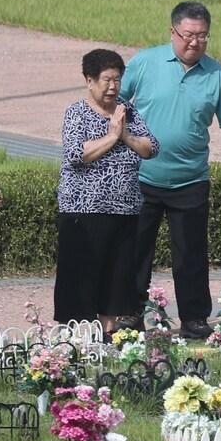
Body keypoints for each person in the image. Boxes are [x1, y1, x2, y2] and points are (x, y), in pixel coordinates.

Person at [119, 1, 221, 339]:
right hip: (141, 177)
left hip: (190, 179)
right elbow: (117, 102)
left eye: (203, 36)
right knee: (135, 251)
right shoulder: (145, 62)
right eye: (188, 35)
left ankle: (194, 318)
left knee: (191, 254)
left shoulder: (216, 74)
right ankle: (129, 313)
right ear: (173, 32)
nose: (195, 42)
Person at [55, 49, 159, 331]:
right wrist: (112, 137)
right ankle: (78, 339)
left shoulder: (127, 110)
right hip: (84, 211)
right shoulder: (77, 112)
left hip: (124, 210)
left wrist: (124, 134)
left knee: (116, 280)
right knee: (82, 278)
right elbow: (78, 153)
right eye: (106, 79)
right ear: (89, 81)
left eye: (117, 79)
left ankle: (108, 336)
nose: (113, 86)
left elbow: (151, 147)